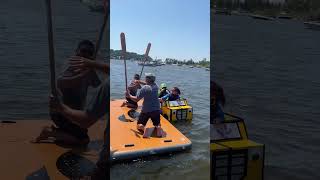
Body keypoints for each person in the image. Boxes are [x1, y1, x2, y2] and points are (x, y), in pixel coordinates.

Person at [35, 41, 108, 145]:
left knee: (82, 133)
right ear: (77, 51)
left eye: (89, 53)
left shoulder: (89, 69)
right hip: (61, 112)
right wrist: (83, 74)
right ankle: (49, 132)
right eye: (83, 51)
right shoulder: (71, 65)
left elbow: (97, 85)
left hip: (74, 113)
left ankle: (60, 132)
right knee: (83, 140)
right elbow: (60, 82)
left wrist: (93, 68)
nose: (85, 54)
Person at [125, 73, 165, 137]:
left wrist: (129, 95)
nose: (144, 78)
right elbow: (148, 83)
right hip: (156, 109)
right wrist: (139, 81)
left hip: (146, 110)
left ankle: (144, 128)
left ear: (147, 79)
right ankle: (158, 128)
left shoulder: (144, 88)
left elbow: (136, 99)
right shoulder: (156, 86)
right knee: (157, 123)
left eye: (146, 77)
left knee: (139, 125)